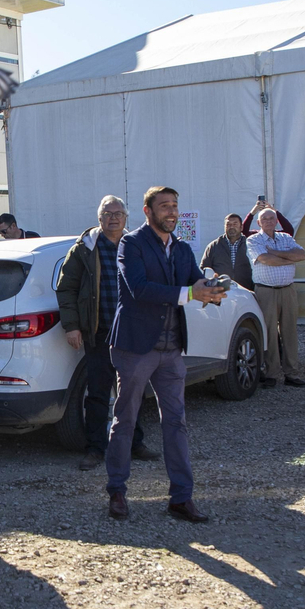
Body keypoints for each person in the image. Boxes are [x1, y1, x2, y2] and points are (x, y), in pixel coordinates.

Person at [104, 187, 227, 523]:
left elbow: (193, 281)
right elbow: (139, 288)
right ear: (148, 211)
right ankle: (117, 491)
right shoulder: (131, 244)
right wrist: (191, 292)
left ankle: (181, 499)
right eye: (164, 207)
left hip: (172, 350)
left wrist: (211, 289)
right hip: (134, 348)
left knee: (176, 423)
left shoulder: (183, 248)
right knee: (125, 421)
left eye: (175, 206)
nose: (171, 212)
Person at [57, 196, 156, 471]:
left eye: (118, 213)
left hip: (132, 331)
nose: (113, 218)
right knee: (98, 392)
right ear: (99, 218)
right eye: (107, 213)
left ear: (126, 217)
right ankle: (95, 449)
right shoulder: (84, 249)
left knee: (134, 390)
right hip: (99, 332)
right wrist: (72, 326)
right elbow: (66, 289)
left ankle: (135, 444)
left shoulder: (136, 244)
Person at [244, 206, 305, 388]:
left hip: (288, 290)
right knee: (269, 332)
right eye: (265, 219)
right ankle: (271, 373)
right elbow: (265, 259)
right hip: (266, 291)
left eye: (272, 218)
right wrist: (288, 258)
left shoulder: (286, 238)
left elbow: (301, 255)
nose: (269, 221)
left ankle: (291, 373)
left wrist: (276, 252)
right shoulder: (254, 240)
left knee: (290, 331)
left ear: (277, 220)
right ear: (258, 222)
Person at [201, 212, 254, 289]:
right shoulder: (214, 246)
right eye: (228, 225)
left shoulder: (250, 244)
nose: (231, 227)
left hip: (246, 291)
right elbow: (204, 269)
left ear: (241, 227)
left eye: (235, 224)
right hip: (220, 292)